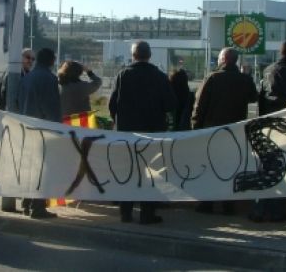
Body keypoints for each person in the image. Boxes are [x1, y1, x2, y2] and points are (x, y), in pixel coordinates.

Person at [109, 41, 176, 224]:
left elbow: (112, 104)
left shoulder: (123, 75)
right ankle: (147, 214)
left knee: (127, 172)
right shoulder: (160, 76)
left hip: (127, 134)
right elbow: (170, 104)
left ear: (133, 55)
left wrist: (118, 121)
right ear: (149, 55)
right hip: (153, 133)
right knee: (152, 174)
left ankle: (126, 213)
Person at [192, 47, 257, 215]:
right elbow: (254, 101)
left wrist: (195, 128)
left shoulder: (212, 78)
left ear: (223, 60)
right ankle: (229, 205)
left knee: (209, 168)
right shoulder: (245, 80)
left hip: (211, 130)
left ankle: (207, 204)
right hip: (235, 131)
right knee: (231, 168)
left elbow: (199, 106)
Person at [250, 40, 286, 223]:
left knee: (264, 166)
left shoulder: (268, 70)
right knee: (284, 167)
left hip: (268, 123)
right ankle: (277, 211)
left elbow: (261, 97)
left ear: (280, 52)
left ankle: (258, 209)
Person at [17, 48, 60, 219]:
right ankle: (38, 207)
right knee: (43, 170)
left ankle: (26, 202)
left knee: (29, 168)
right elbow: (52, 107)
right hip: (43, 130)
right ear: (51, 61)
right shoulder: (49, 79)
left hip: (27, 128)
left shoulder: (26, 78)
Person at [0, 48, 35, 213]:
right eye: (28, 57)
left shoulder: (27, 75)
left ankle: (22, 197)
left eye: (32, 59)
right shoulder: (13, 75)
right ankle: (14, 196)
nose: (30, 61)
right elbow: (6, 97)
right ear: (20, 57)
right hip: (15, 125)